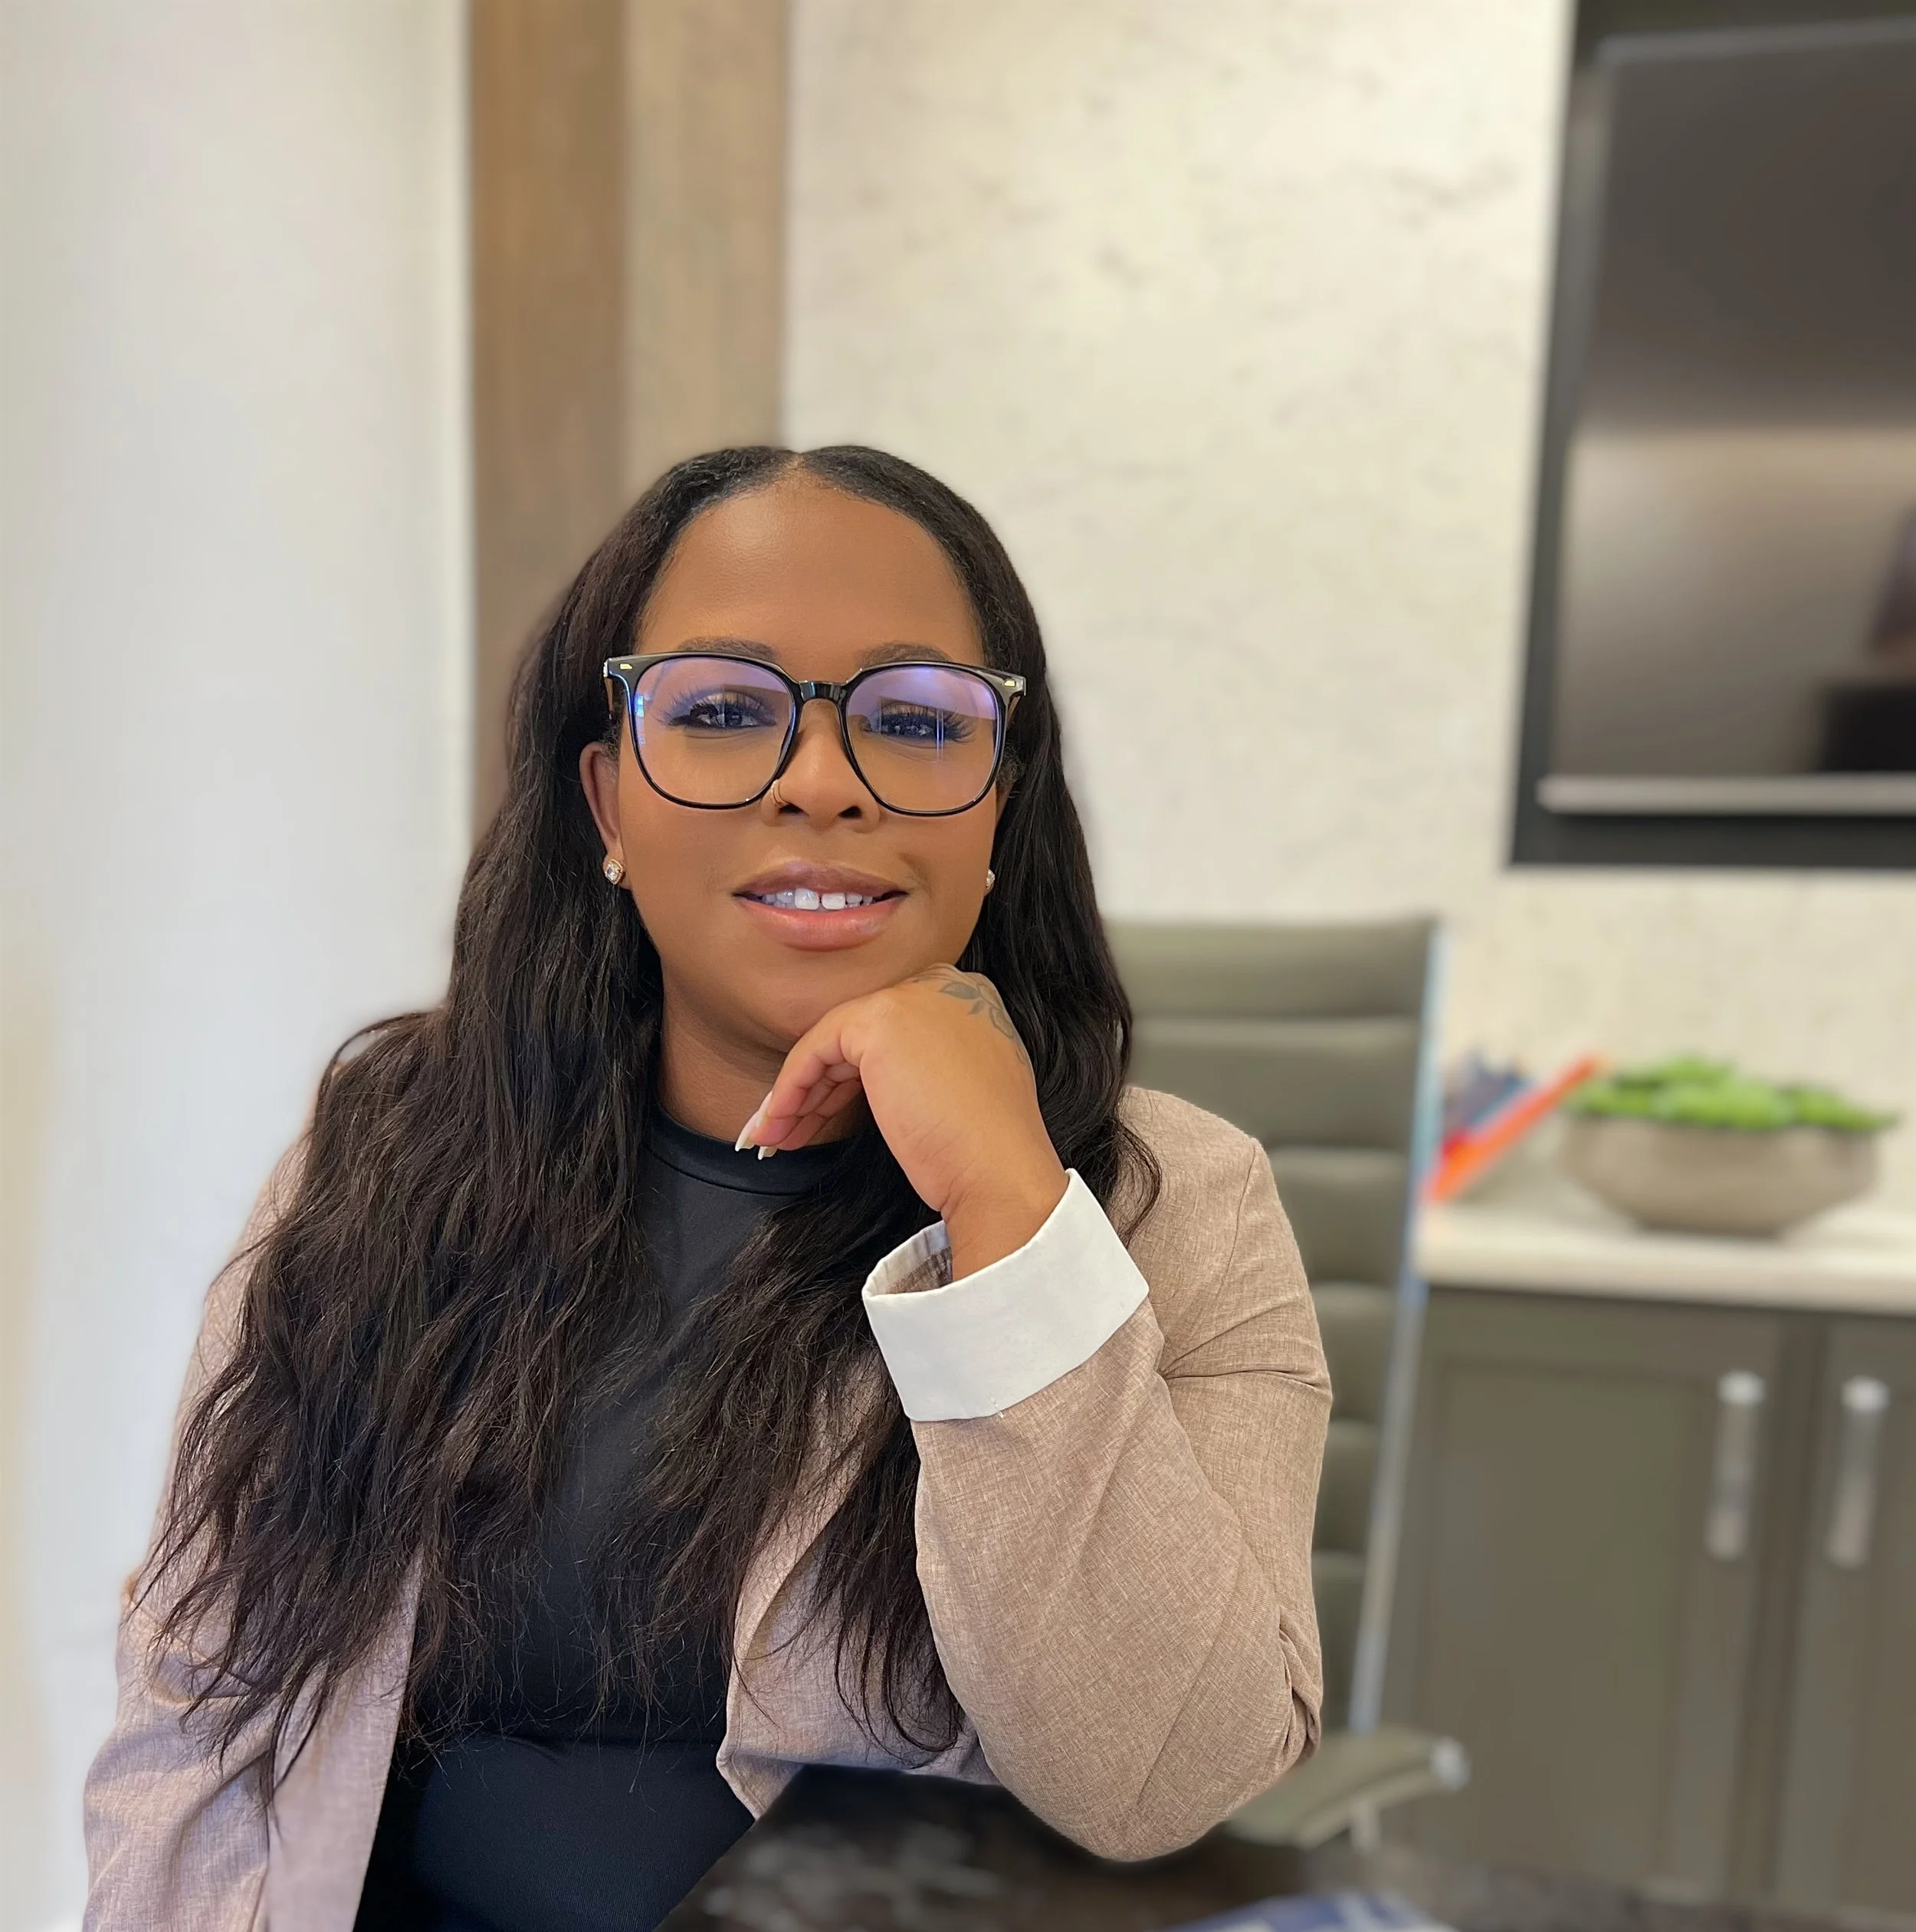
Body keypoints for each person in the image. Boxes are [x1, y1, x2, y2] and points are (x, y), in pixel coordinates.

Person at [83, 446, 1331, 1932]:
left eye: (914, 721)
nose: (817, 783)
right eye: (725, 711)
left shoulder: (1173, 1206)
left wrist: (1008, 1213)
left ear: (998, 804)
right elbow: (200, 1694)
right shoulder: (387, 1150)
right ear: (608, 800)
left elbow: (1157, 1782)